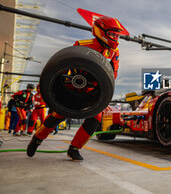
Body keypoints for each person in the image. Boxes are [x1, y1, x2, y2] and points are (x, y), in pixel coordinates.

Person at [27, 16, 123, 161]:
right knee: (58, 115)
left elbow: (113, 74)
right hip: (71, 88)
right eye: (112, 34)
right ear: (100, 31)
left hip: (92, 93)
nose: (115, 38)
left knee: (95, 119)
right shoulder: (82, 45)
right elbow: (65, 64)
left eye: (117, 35)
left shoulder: (114, 52)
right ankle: (36, 139)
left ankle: (74, 148)